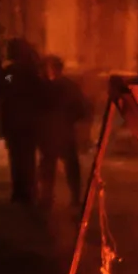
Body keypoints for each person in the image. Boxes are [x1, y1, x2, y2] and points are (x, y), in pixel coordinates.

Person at [38, 55, 90, 210]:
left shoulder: (56, 86)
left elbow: (81, 108)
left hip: (59, 132)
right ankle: (55, 197)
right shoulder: (61, 86)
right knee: (58, 166)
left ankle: (62, 197)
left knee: (60, 166)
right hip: (58, 132)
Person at [0, 38, 46, 203]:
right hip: (28, 122)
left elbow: (3, 85)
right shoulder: (32, 71)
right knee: (27, 157)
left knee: (18, 157)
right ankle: (28, 190)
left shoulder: (12, 72)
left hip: (16, 121)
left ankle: (21, 191)